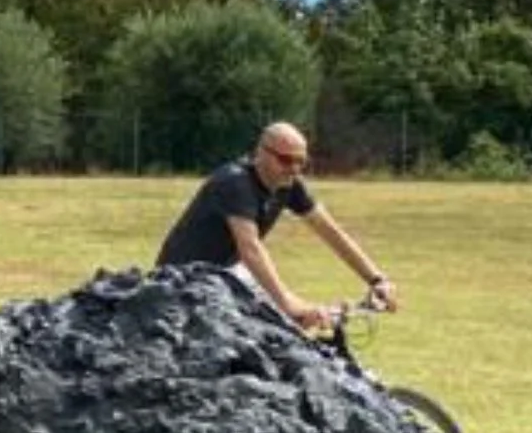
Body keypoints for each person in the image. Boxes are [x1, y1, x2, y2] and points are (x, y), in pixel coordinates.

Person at [155, 121, 399, 330]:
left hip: (225, 273)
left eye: (301, 162)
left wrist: (376, 279)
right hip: (183, 279)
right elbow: (250, 249)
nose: (293, 169)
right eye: (285, 160)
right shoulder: (235, 182)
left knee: (298, 317)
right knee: (284, 316)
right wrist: (287, 304)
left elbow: (330, 231)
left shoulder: (289, 184)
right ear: (260, 152)